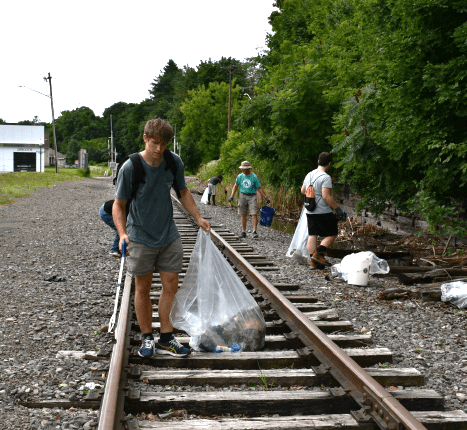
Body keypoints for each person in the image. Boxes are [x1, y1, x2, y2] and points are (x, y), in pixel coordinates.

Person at [113, 117, 211, 358]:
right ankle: (148, 337)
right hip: (139, 236)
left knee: (171, 286)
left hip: (168, 235)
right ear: (145, 138)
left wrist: (198, 218)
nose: (159, 149)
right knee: (143, 288)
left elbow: (183, 191)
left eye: (164, 144)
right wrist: (122, 233)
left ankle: (166, 338)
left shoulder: (173, 162)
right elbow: (119, 204)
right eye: (154, 143)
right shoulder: (131, 166)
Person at [300, 152, 345, 270]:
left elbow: (303, 190)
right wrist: (337, 209)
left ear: (318, 161)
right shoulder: (325, 177)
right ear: (329, 163)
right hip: (322, 210)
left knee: (312, 234)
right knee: (332, 232)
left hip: (309, 209)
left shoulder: (309, 174)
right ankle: (319, 254)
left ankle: (313, 263)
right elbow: (326, 196)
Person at [228, 161, 270, 238]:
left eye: (244, 169)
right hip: (242, 196)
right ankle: (243, 231)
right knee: (243, 214)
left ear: (248, 169)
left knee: (254, 213)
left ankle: (254, 231)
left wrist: (266, 197)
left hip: (252, 196)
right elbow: (235, 186)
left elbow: (259, 188)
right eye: (242, 168)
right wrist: (232, 195)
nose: (242, 170)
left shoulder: (254, 177)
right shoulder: (240, 176)